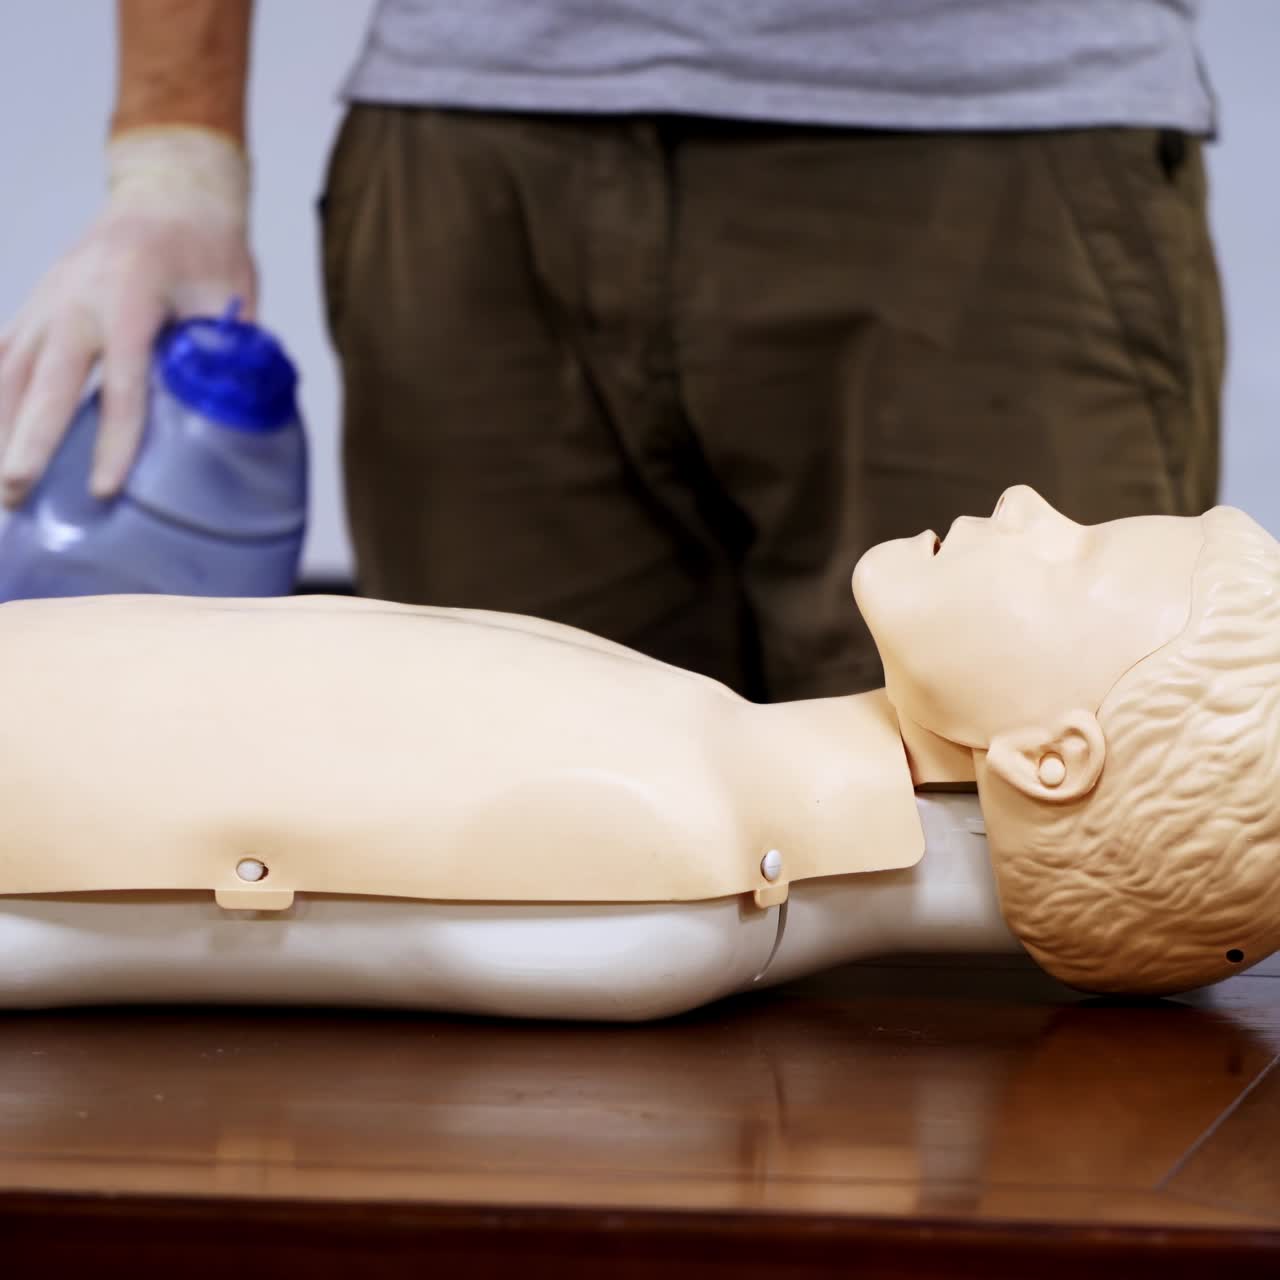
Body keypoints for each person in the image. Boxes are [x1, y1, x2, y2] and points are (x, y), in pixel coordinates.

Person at [0, 0, 1224, 702]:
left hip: (989, 134)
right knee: (491, 889)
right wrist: (175, 149)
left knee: (1001, 893)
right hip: (470, 144)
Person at [2, 487, 1277, 1013]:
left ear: (1048, 760)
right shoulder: (693, 763)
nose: (1024, 507)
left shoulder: (681, 838)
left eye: (1080, 555)